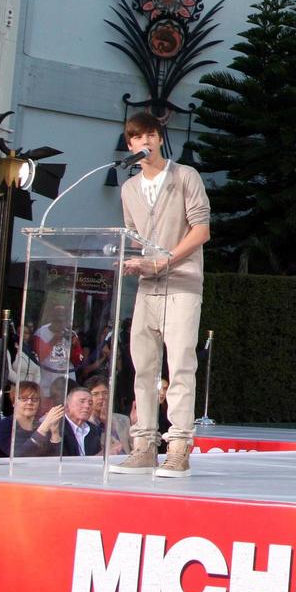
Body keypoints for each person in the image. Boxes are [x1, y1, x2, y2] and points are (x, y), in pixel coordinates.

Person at [110, 112, 210, 479]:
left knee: (181, 365)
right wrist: (134, 260)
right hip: (147, 289)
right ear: (130, 144)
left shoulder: (185, 176)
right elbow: (132, 233)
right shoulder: (129, 189)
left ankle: (179, 446)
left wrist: (162, 260)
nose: (145, 142)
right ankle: (143, 446)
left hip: (181, 283)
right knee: (144, 367)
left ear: (159, 139)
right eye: (138, 137)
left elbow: (200, 230)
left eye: (151, 135)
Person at [0, 381, 64, 458]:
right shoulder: (3, 426)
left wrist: (55, 432)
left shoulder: (40, 426)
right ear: (14, 402)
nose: (29, 402)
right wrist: (44, 427)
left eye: (35, 399)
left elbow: (55, 459)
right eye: (24, 398)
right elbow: (18, 455)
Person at [85, 375, 130, 455]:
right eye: (95, 394)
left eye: (105, 393)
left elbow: (135, 449)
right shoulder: (85, 424)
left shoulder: (124, 420)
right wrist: (106, 425)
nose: (101, 397)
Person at [61, 385, 101, 457]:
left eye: (90, 403)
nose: (87, 406)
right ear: (67, 406)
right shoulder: (59, 427)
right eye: (82, 401)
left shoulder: (94, 429)